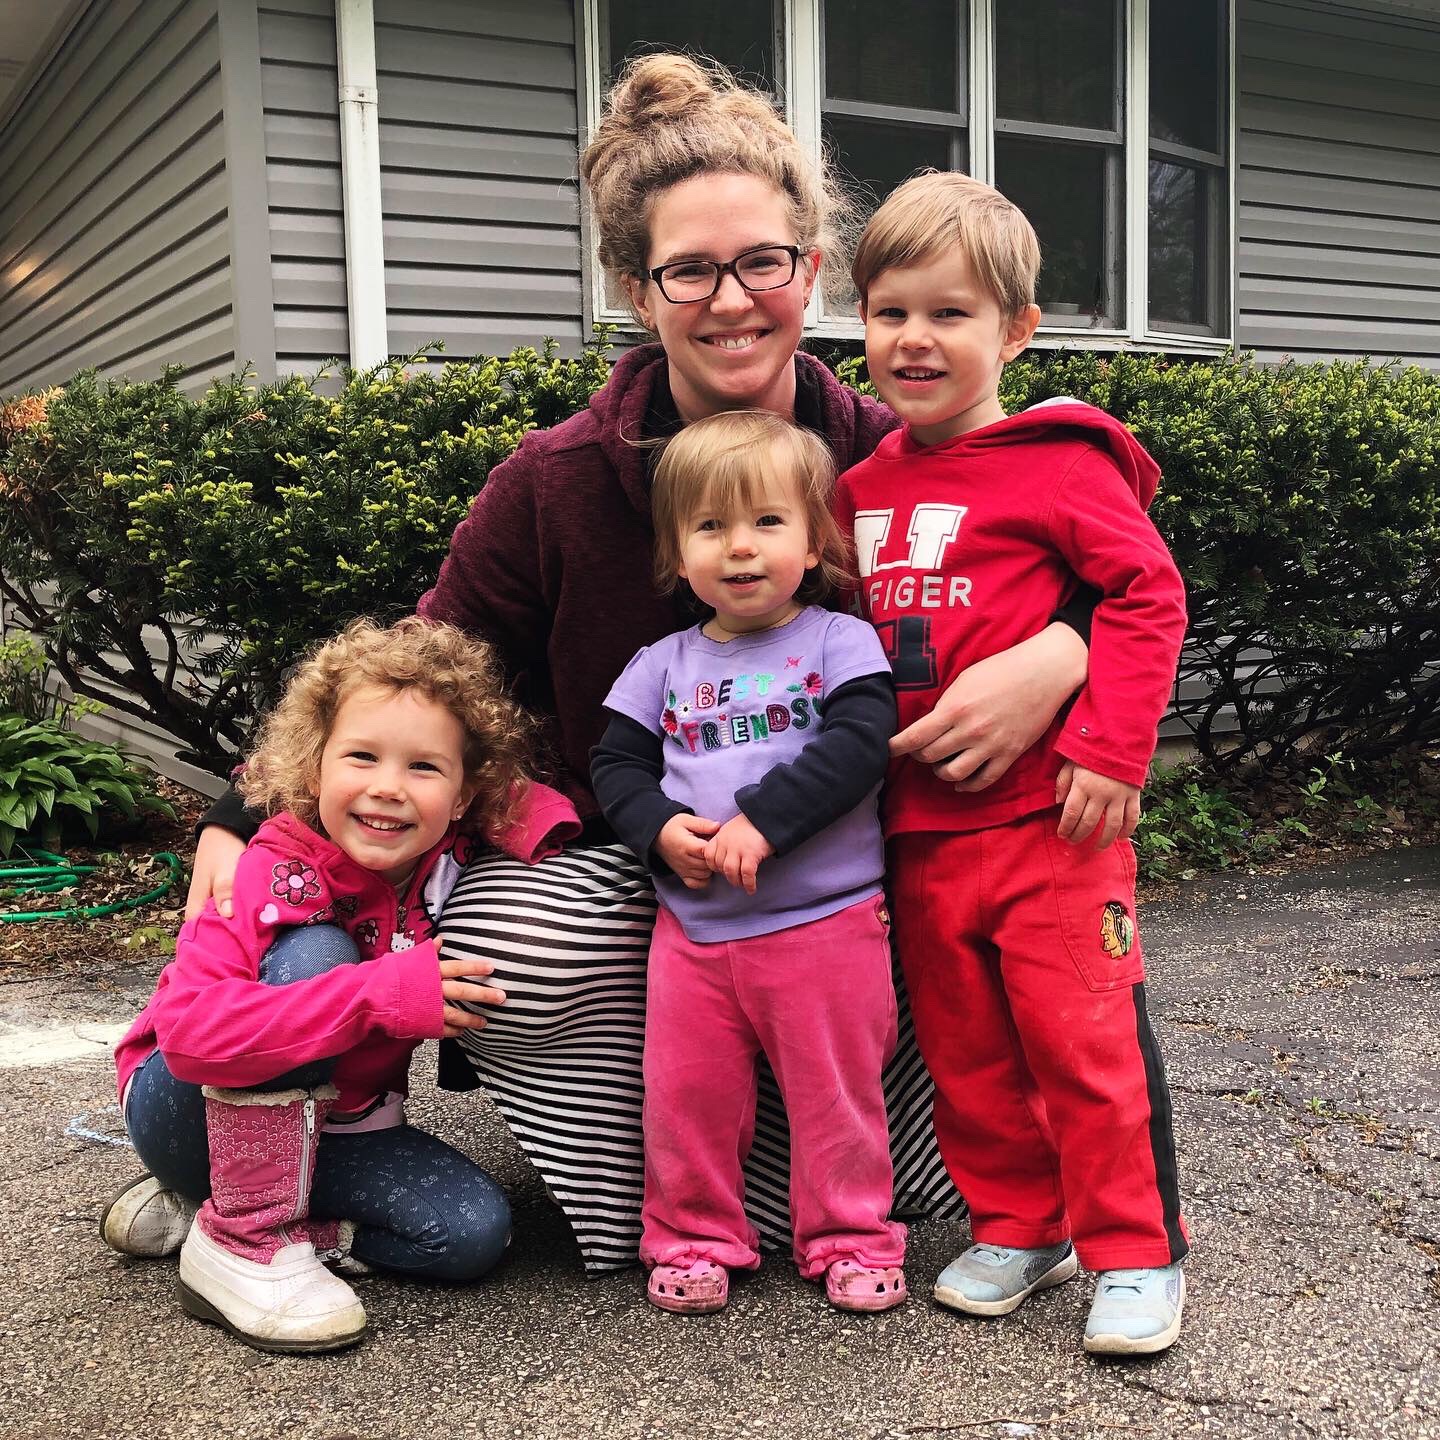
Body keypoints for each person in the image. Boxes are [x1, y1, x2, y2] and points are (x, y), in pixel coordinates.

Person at [183, 53, 1091, 1274]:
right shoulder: (555, 483)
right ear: (635, 288)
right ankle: (672, 1202)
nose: (732, 300)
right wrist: (244, 809)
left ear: (812, 270)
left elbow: (1097, 560)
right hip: (631, 861)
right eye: (689, 271)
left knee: (1015, 910)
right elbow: (422, 658)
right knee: (516, 942)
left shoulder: (893, 453)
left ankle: (861, 1184)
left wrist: (1061, 650)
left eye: (763, 262)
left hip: (853, 860)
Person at [835, 171, 1191, 1355]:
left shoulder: (1062, 464)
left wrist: (1113, 748)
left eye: (951, 313)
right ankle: (1021, 1228)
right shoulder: (854, 492)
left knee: (1084, 1044)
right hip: (920, 833)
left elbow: (1146, 594)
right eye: (891, 312)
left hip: (1055, 823)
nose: (915, 339)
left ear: (1017, 330)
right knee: (967, 1054)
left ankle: (1136, 1253)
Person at [104, 618, 568, 1353]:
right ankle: (241, 1238)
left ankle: (211, 1213)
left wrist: (567, 837)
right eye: (361, 756)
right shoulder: (270, 868)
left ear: (463, 795)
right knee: (318, 952)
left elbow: (532, 799)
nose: (388, 787)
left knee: (470, 1234)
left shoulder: (451, 856)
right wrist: (378, 995)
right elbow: (191, 1039)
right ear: (314, 765)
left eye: (424, 767)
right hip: (182, 1109)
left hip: (338, 1127)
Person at [591, 411, 906, 1314]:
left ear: (813, 544)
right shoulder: (659, 664)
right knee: (686, 1099)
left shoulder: (839, 641)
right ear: (676, 556)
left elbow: (860, 743)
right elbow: (615, 765)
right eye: (710, 526)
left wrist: (762, 823)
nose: (740, 546)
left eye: (768, 521)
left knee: (836, 1097)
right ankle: (693, 1239)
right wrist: (659, 829)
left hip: (826, 924)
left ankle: (851, 1238)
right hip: (692, 935)